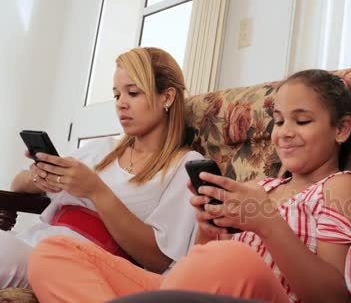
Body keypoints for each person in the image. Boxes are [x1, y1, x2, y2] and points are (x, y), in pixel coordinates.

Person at [27, 69, 351, 303]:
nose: (284, 132)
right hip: (193, 291)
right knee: (53, 252)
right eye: (277, 121)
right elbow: (198, 268)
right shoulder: (260, 187)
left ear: (341, 129)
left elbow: (336, 298)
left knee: (231, 257)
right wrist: (207, 231)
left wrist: (267, 224)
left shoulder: (340, 188)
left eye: (301, 121)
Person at [4, 47, 203, 288]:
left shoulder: (185, 166)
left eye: (133, 93)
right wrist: (38, 175)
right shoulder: (101, 149)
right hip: (33, 241)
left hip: (78, 264)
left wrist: (96, 191)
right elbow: (17, 186)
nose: (121, 104)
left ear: (167, 97)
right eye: (117, 96)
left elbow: (159, 260)